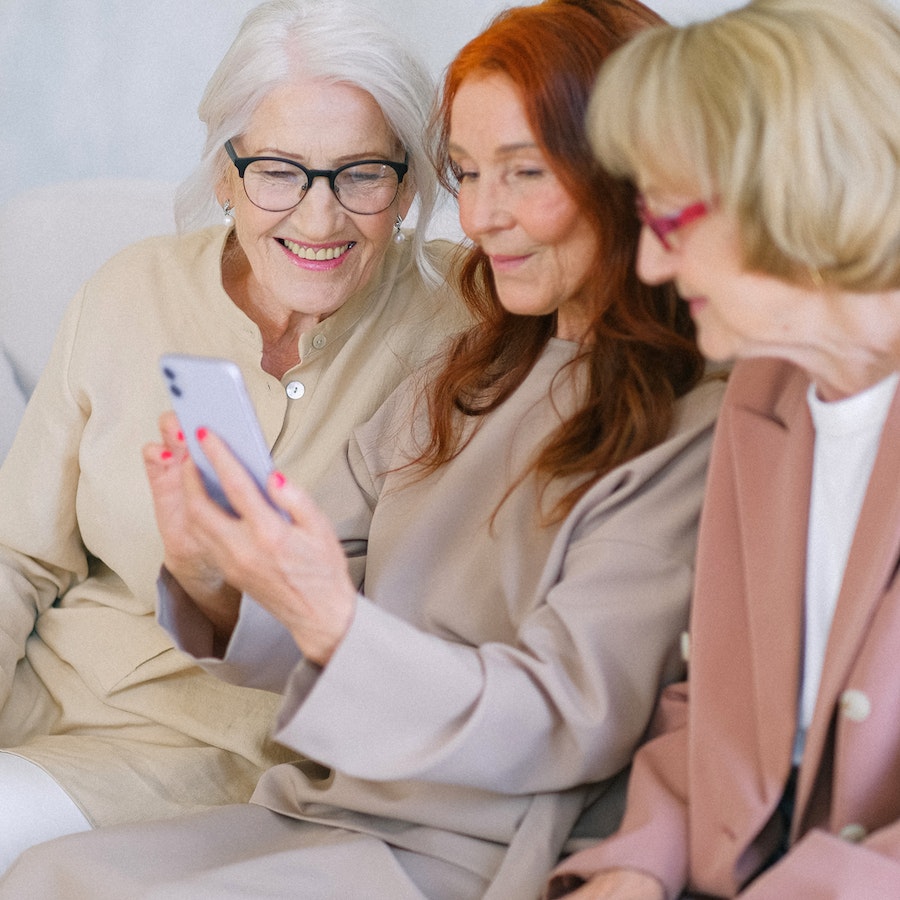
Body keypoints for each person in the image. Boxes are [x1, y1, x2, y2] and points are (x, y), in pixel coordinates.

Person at [0, 0, 725, 897]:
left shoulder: (690, 417)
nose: (486, 218)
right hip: (328, 798)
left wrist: (324, 617)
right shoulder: (474, 364)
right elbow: (313, 591)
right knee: (46, 876)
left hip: (469, 839)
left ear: (629, 171)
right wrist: (215, 577)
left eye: (523, 172)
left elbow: (568, 715)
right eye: (469, 173)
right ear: (224, 175)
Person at [0, 0, 469, 872]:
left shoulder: (463, 327)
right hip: (38, 699)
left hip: (221, 761)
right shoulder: (129, 288)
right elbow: (18, 555)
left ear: (408, 184)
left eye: (363, 173)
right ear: (224, 173)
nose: (320, 220)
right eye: (279, 171)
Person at [544, 0, 900, 897]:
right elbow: (721, 702)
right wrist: (635, 865)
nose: (654, 267)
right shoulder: (764, 391)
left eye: (669, 221)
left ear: (792, 189)